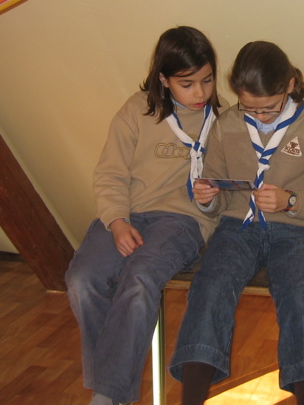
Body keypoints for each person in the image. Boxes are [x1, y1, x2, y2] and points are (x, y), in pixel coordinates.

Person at [169, 40, 304, 405]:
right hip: (238, 227)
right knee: (209, 287)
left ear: (289, 86)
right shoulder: (226, 125)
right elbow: (218, 189)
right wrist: (208, 196)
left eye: (269, 108)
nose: (260, 117)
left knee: (303, 295)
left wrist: (292, 201)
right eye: (249, 108)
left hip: (296, 231)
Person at [66, 26, 224, 405]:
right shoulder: (135, 111)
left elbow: (227, 198)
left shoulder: (222, 121)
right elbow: (110, 174)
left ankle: (107, 395)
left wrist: (209, 200)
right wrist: (117, 221)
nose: (200, 93)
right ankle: (111, 387)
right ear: (164, 80)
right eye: (187, 84)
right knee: (82, 279)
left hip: (182, 220)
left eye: (207, 80)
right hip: (129, 212)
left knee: (139, 279)